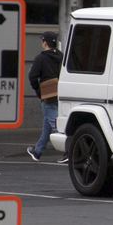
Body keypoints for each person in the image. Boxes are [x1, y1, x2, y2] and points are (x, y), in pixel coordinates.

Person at [27, 31, 65, 162]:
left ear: (45, 43)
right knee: (47, 126)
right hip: (61, 94)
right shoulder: (62, 56)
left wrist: (39, 92)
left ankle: (69, 152)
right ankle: (37, 152)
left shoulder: (41, 58)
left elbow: (32, 77)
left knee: (56, 126)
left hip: (48, 95)